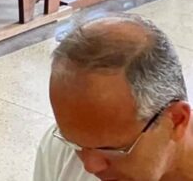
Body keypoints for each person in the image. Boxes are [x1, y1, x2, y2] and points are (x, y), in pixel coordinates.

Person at [34, 13, 193, 180]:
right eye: (77, 144)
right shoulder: (62, 146)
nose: (90, 166)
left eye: (111, 149)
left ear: (177, 119)